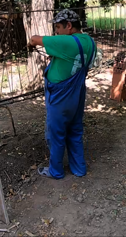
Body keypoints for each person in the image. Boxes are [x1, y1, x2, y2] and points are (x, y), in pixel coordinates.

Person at [27, 9, 96, 179]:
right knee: (75, 130)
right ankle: (79, 169)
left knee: (56, 134)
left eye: (58, 27)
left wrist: (30, 45)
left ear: (69, 26)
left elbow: (35, 39)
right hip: (77, 93)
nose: (56, 32)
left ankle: (55, 171)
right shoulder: (89, 41)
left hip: (60, 96)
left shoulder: (66, 42)